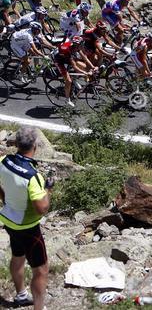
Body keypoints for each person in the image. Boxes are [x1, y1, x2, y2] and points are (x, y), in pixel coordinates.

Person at [0, 127, 53, 310]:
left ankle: (22, 296)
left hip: (8, 220)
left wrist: (4, 199)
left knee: (18, 256)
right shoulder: (33, 176)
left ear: (16, 143)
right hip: (28, 227)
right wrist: (48, 190)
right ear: (35, 146)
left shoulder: (4, 161)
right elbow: (41, 209)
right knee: (41, 269)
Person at [54, 36, 95, 108]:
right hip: (59, 60)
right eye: (82, 44)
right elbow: (75, 67)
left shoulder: (76, 47)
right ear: (78, 45)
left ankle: (74, 79)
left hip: (66, 57)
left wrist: (92, 67)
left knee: (84, 66)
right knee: (68, 81)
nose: (83, 46)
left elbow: (84, 57)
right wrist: (85, 73)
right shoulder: (69, 49)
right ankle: (67, 100)